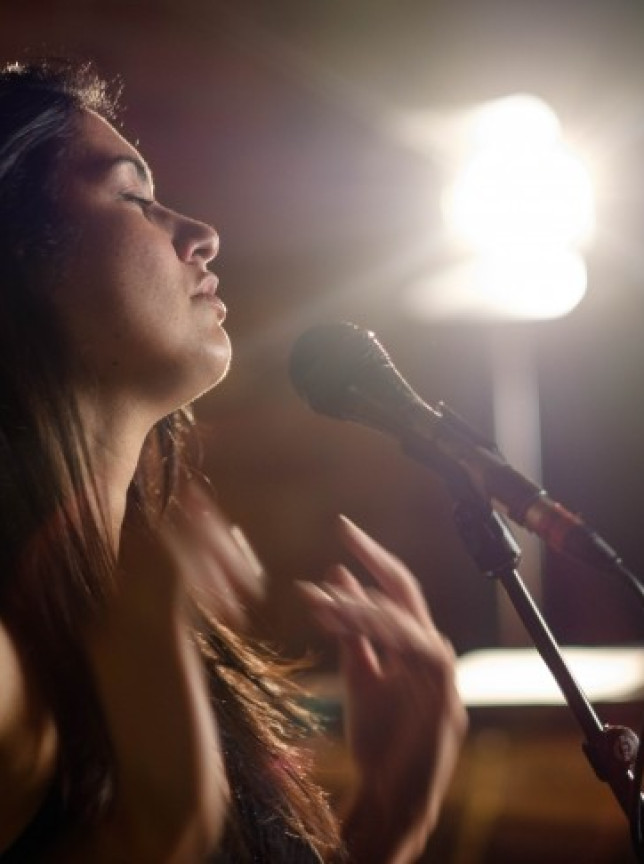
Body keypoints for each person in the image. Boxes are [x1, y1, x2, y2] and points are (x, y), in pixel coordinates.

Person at [0, 59, 467, 863]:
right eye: (133, 197)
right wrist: (147, 634)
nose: (200, 233)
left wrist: (389, 821)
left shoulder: (153, 613)